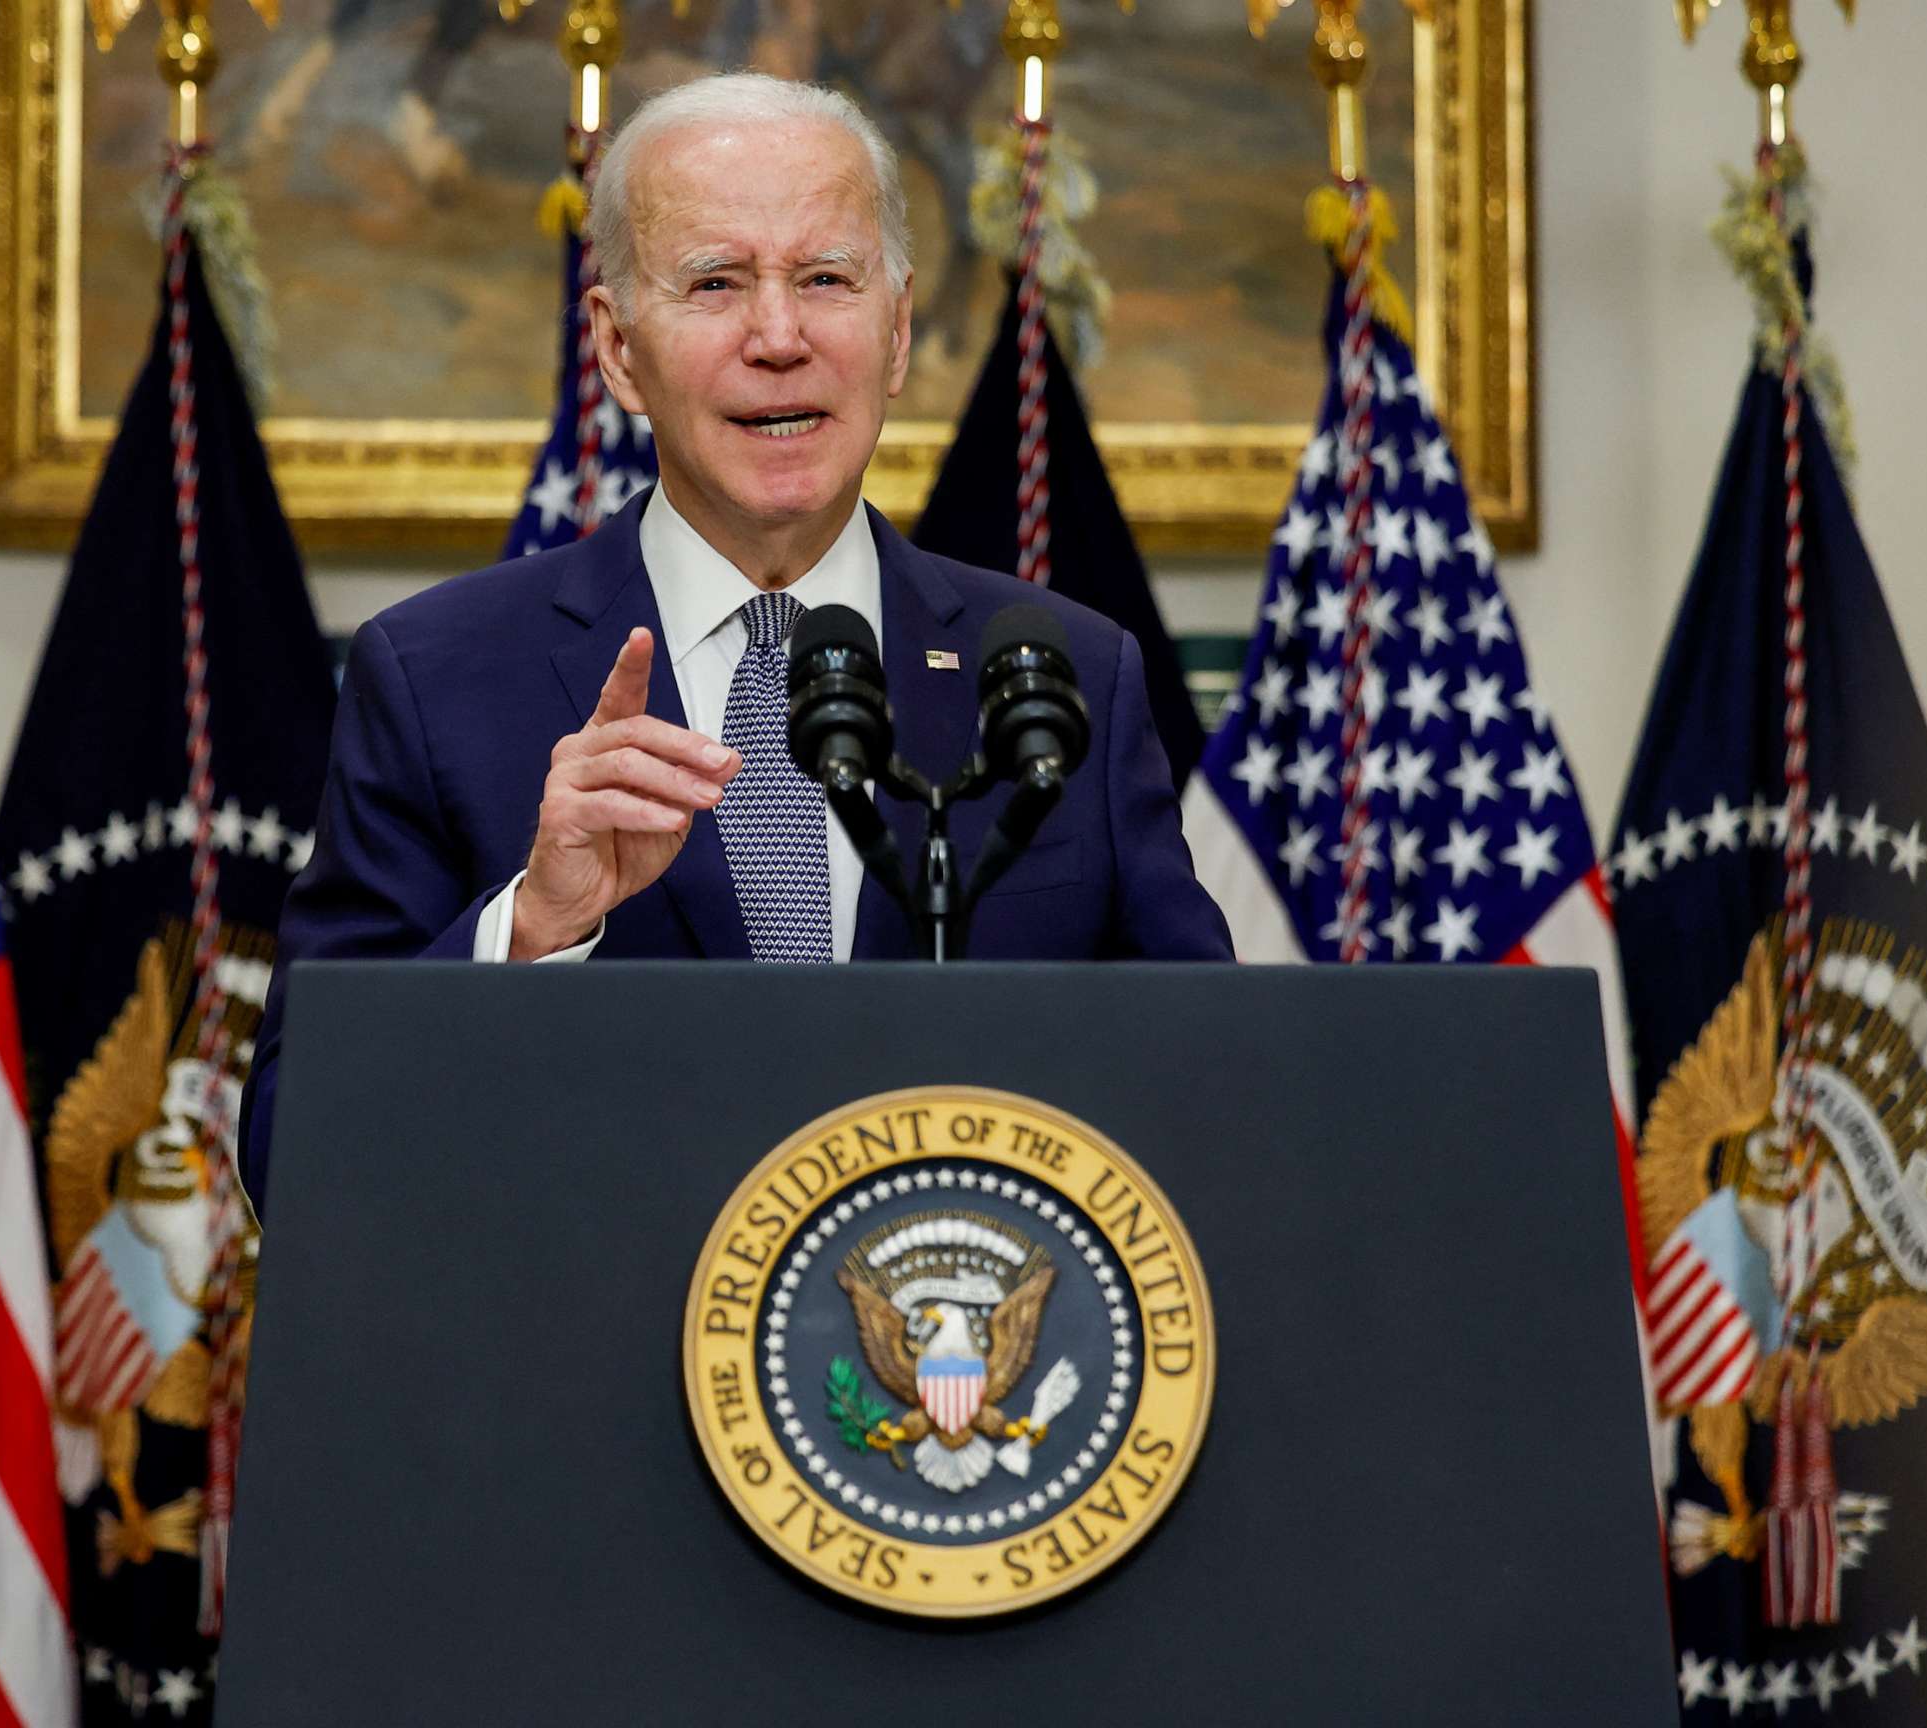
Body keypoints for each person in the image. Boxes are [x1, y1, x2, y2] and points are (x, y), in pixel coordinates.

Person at [240, 72, 1231, 1205]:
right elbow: (291, 1155)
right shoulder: (435, 680)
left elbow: (1211, 1100)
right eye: (715, 282)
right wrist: (530, 933)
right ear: (617, 349)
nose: (778, 334)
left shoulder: (1066, 674)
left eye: (824, 278)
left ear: (897, 332)